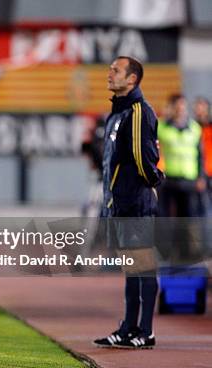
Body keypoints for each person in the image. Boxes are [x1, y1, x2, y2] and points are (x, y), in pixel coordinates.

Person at [94, 56, 163, 349]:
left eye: (116, 70)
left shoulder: (138, 112)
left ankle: (145, 331)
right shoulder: (117, 113)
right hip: (120, 204)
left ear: (132, 79)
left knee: (143, 267)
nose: (110, 74)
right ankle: (128, 328)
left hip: (135, 204)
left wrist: (155, 182)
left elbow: (144, 160)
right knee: (131, 269)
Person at [157, 94, 204, 217]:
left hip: (189, 180)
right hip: (168, 179)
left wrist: (201, 177)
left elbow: (200, 155)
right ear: (171, 108)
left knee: (188, 217)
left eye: (182, 107)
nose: (180, 111)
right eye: (177, 107)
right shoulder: (161, 127)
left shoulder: (195, 128)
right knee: (166, 217)